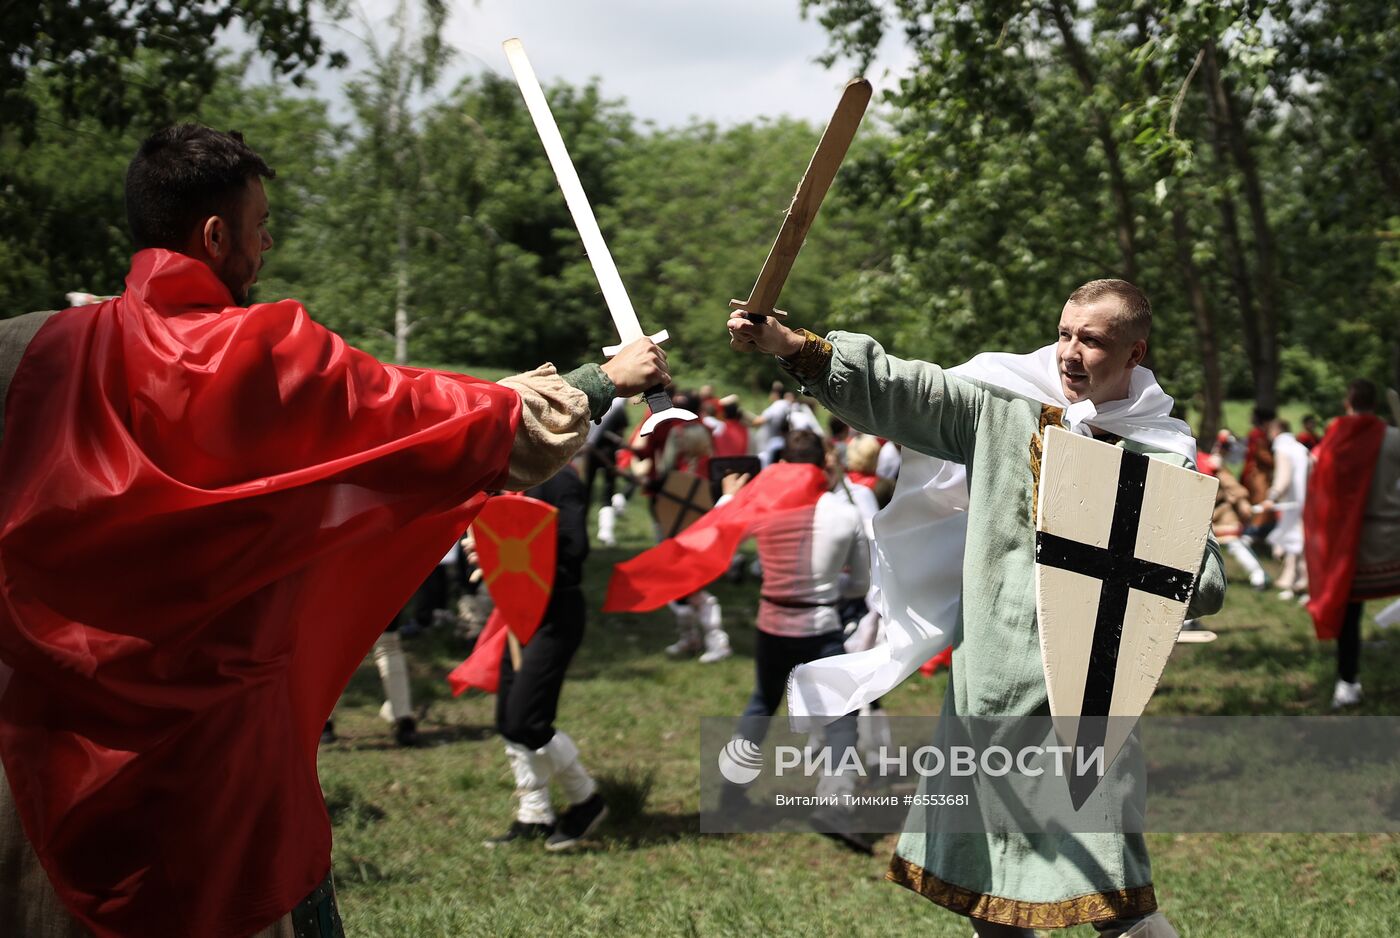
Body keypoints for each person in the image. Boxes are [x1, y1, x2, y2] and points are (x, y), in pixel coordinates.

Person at [0, 124, 668, 938]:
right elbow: (446, 423)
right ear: (216, 236)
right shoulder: (266, 352)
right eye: (261, 225)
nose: (268, 242)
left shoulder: (25, 351)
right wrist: (603, 380)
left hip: (40, 753)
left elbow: (426, 406)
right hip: (219, 768)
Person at [728, 279, 1225, 938]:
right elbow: (905, 391)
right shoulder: (1005, 408)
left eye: (1093, 340)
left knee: (1118, 903)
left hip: (1081, 707)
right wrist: (793, 347)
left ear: (1134, 354)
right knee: (985, 902)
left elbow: (1206, 581)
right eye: (1065, 334)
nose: (1072, 353)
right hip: (985, 695)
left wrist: (1129, 518)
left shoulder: (1157, 449)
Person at [477, 463, 609, 850]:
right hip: (516, 607)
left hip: (555, 611)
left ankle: (587, 801)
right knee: (508, 720)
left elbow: (574, 547)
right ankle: (534, 814)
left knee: (528, 721)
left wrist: (513, 547)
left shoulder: (560, 479)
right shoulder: (511, 481)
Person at [1304, 379, 1400, 708]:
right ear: (1374, 404)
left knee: (1349, 614)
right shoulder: (1392, 439)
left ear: (1348, 402)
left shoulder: (1333, 440)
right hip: (1392, 540)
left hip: (1351, 544)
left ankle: (1347, 683)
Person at [1259, 418, 1311, 601]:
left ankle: (1298, 584)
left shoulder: (1282, 447)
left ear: (1274, 432)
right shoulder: (1300, 447)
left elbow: (1284, 476)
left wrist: (1271, 496)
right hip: (1307, 502)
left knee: (1293, 542)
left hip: (1295, 505)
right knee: (1300, 543)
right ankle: (1298, 584)